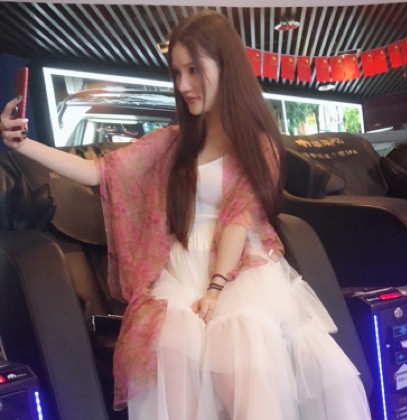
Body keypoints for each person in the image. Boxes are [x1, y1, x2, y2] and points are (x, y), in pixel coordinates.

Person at [0, 11, 371, 420]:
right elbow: (98, 172)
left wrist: (215, 288)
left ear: (224, 66)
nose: (183, 85)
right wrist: (23, 145)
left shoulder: (257, 143)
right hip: (179, 266)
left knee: (245, 344)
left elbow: (238, 219)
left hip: (239, 266)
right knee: (171, 345)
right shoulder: (173, 142)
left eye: (194, 70)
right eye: (177, 72)